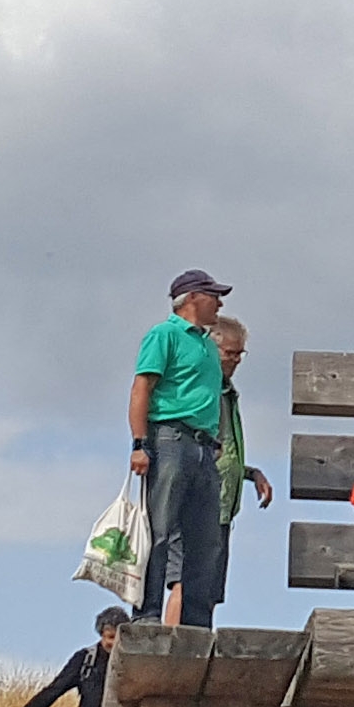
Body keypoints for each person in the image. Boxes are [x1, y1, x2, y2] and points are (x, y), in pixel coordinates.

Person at [130, 269, 228, 628]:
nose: (219, 302)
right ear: (191, 298)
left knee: (206, 540)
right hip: (169, 438)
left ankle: (196, 623)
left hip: (204, 446)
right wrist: (139, 444)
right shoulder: (164, 335)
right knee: (159, 529)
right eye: (213, 295)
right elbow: (142, 388)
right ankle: (147, 614)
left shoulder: (206, 344)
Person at [163, 316, 273, 623]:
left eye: (241, 354)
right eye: (230, 353)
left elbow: (224, 448)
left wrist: (250, 473)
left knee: (208, 589)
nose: (237, 361)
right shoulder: (201, 388)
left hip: (222, 504)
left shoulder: (226, 391)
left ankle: (196, 649)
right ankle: (173, 649)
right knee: (184, 582)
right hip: (195, 498)